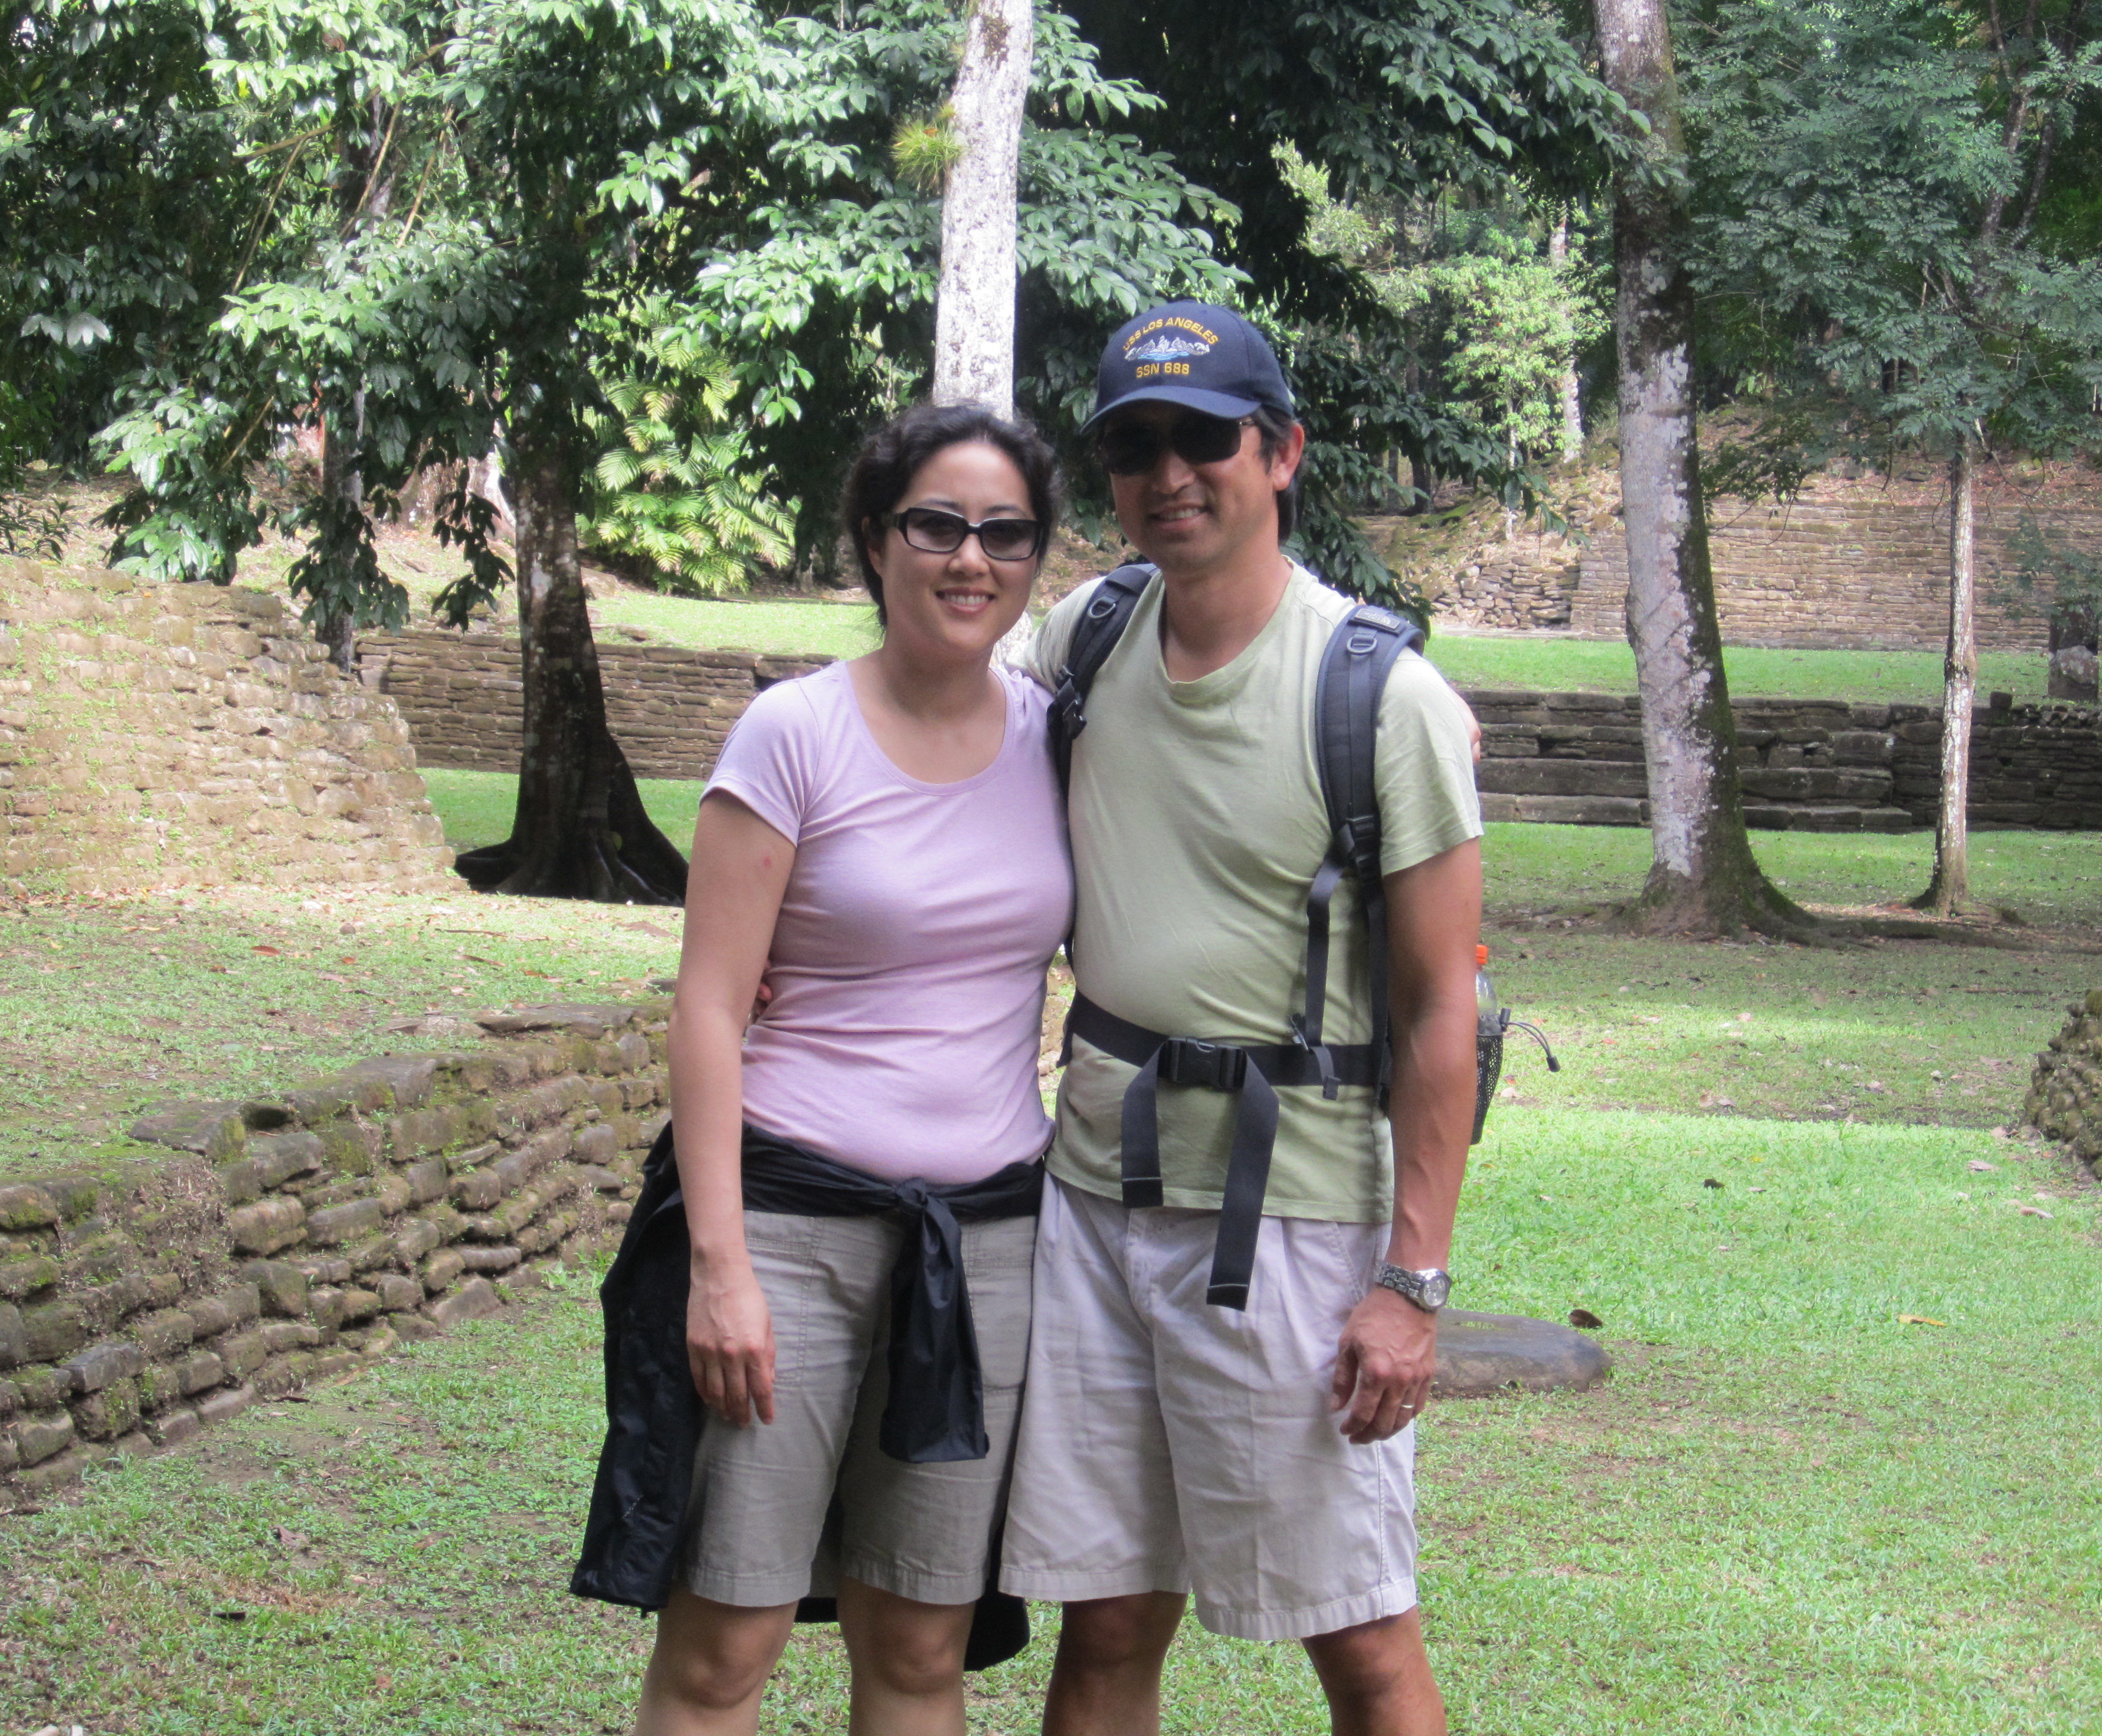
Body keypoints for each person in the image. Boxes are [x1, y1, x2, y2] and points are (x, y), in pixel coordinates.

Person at [998, 303, 1487, 1736]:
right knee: (1104, 1621)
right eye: (1135, 445)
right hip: (1097, 1194)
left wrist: (1412, 1283)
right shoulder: (1086, 641)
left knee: (1360, 1633)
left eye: (1205, 438)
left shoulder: (1378, 695)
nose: (1170, 474)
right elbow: (934, 735)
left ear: (1281, 453)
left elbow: (1438, 1011)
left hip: (1294, 1219)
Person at [571, 402, 1071, 1736]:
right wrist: (720, 1268)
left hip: (984, 1249)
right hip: (788, 1230)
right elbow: (708, 1006)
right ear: (875, 537)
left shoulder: (1060, 736)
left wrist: (1419, 704)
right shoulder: (794, 733)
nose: (972, 559)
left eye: (1007, 533)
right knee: (725, 1642)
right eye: (938, 525)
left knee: (919, 1646)